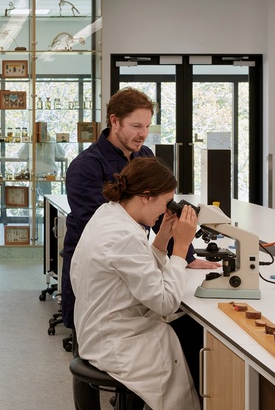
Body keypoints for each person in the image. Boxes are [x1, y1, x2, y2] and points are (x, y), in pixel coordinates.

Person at [60, 87, 217, 409]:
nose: (142, 134)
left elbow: (142, 230)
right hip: (107, 301)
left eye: (147, 126)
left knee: (183, 328)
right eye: (136, 126)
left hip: (115, 292)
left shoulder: (119, 207)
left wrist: (174, 249)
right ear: (114, 121)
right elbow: (155, 292)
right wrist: (180, 247)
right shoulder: (86, 167)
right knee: (188, 333)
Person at [71, 157, 201, 410]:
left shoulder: (109, 213)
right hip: (119, 343)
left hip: (102, 329)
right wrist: (182, 247)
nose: (165, 210)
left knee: (190, 330)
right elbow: (165, 302)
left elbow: (136, 269)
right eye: (165, 202)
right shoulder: (124, 235)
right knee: (198, 335)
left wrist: (163, 237)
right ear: (146, 196)